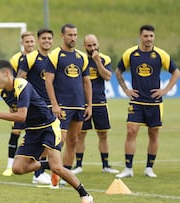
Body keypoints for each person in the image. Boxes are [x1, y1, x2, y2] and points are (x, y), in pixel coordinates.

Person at [0, 60, 94, 203]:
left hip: (49, 127)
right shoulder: (2, 92)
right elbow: (16, 111)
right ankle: (46, 164)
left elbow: (21, 116)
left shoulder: (21, 85)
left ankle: (85, 195)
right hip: (32, 131)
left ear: (7, 73)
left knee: (57, 167)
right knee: (18, 168)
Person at [115, 24, 180, 178]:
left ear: (154, 37)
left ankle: (149, 168)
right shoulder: (130, 54)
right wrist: (125, 90)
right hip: (136, 101)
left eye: (151, 36)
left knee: (153, 134)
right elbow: (118, 71)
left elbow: (176, 72)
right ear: (140, 37)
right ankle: (128, 168)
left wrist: (165, 90)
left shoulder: (160, 54)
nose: (149, 39)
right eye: (146, 36)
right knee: (131, 132)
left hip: (155, 103)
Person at [44, 23, 92, 186]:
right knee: (60, 140)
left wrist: (89, 105)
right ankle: (54, 174)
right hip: (62, 106)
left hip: (79, 106)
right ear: (62, 36)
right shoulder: (55, 55)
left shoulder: (81, 57)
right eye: (70, 35)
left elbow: (87, 83)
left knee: (73, 140)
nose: (73, 38)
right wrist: (54, 104)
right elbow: (48, 81)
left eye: (75, 35)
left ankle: (66, 174)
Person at [71, 34, 119, 175]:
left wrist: (97, 62)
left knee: (103, 134)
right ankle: (78, 165)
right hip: (83, 103)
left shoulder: (104, 59)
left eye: (94, 45)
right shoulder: (79, 59)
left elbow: (108, 76)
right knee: (81, 135)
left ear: (98, 44)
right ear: (84, 46)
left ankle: (106, 165)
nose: (92, 48)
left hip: (100, 102)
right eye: (89, 45)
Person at [17, 28, 54, 184]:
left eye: (49, 38)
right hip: (35, 108)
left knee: (54, 141)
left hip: (52, 106)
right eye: (43, 38)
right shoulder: (30, 58)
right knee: (41, 141)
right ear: (39, 40)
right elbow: (19, 79)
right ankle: (38, 173)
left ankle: (44, 171)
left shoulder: (54, 58)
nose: (46, 41)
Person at [2, 31, 36, 177]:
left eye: (31, 42)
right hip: (21, 101)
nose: (30, 44)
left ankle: (37, 168)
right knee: (16, 132)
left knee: (37, 133)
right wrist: (12, 103)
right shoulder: (15, 59)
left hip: (36, 101)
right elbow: (12, 81)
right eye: (27, 42)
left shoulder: (38, 57)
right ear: (22, 43)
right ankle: (10, 165)